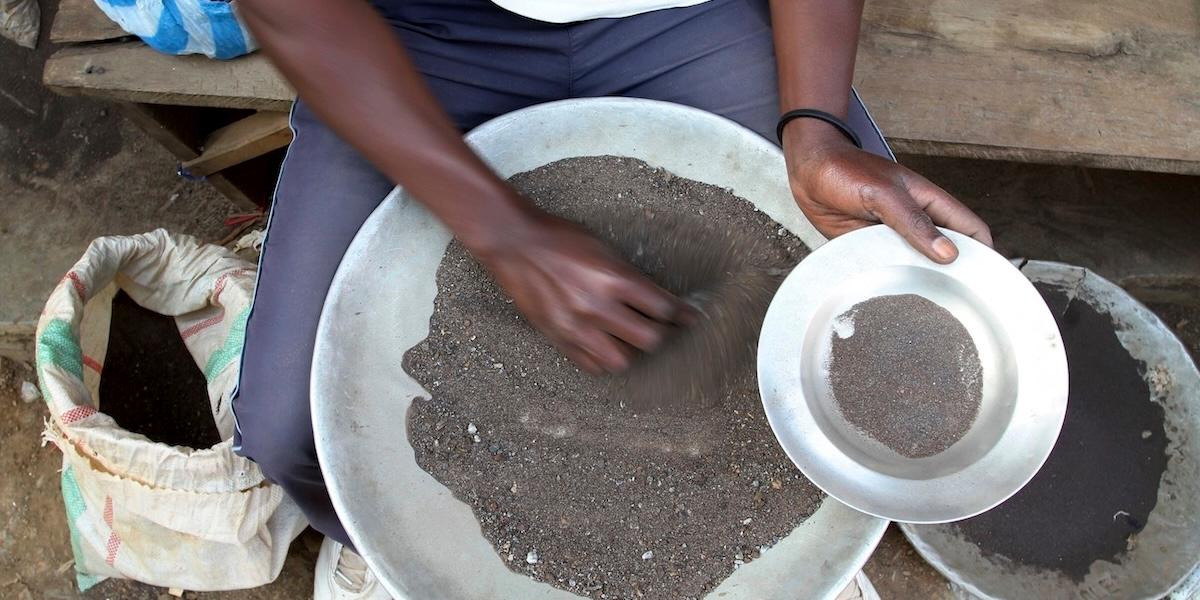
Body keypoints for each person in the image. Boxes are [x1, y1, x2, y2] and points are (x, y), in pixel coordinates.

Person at [230, 0, 993, 598]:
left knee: (874, 329)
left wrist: (817, 127)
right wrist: (502, 232)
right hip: (424, 29)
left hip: (686, 16)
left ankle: (814, 566)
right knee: (288, 425)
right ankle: (380, 549)